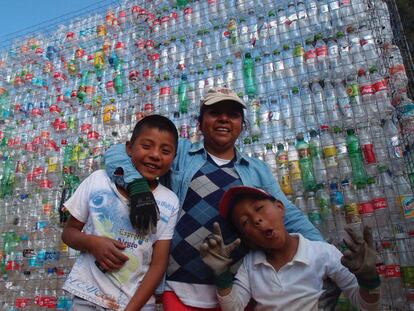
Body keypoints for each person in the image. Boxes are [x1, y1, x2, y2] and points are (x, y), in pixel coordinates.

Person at [103, 87, 324, 310]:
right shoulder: (181, 154)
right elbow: (116, 153)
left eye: (233, 114)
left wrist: (325, 255)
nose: (224, 119)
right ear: (200, 123)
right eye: (215, 112)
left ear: (242, 125)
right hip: (178, 287)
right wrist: (137, 185)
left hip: (235, 289)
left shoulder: (256, 170)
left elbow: (289, 214)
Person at [61, 115, 180, 311]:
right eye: (147, 146)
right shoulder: (98, 181)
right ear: (129, 148)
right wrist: (93, 243)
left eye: (165, 151)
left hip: (135, 303)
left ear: (173, 158)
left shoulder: (169, 201)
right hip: (88, 297)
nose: (155, 155)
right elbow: (69, 233)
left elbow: (159, 264)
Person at [200, 185, 381, 311]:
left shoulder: (323, 253)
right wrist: (222, 275)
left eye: (259, 208)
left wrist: (368, 279)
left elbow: (366, 306)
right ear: (246, 238)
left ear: (280, 208)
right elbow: (234, 307)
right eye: (245, 222)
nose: (256, 219)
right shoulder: (250, 264)